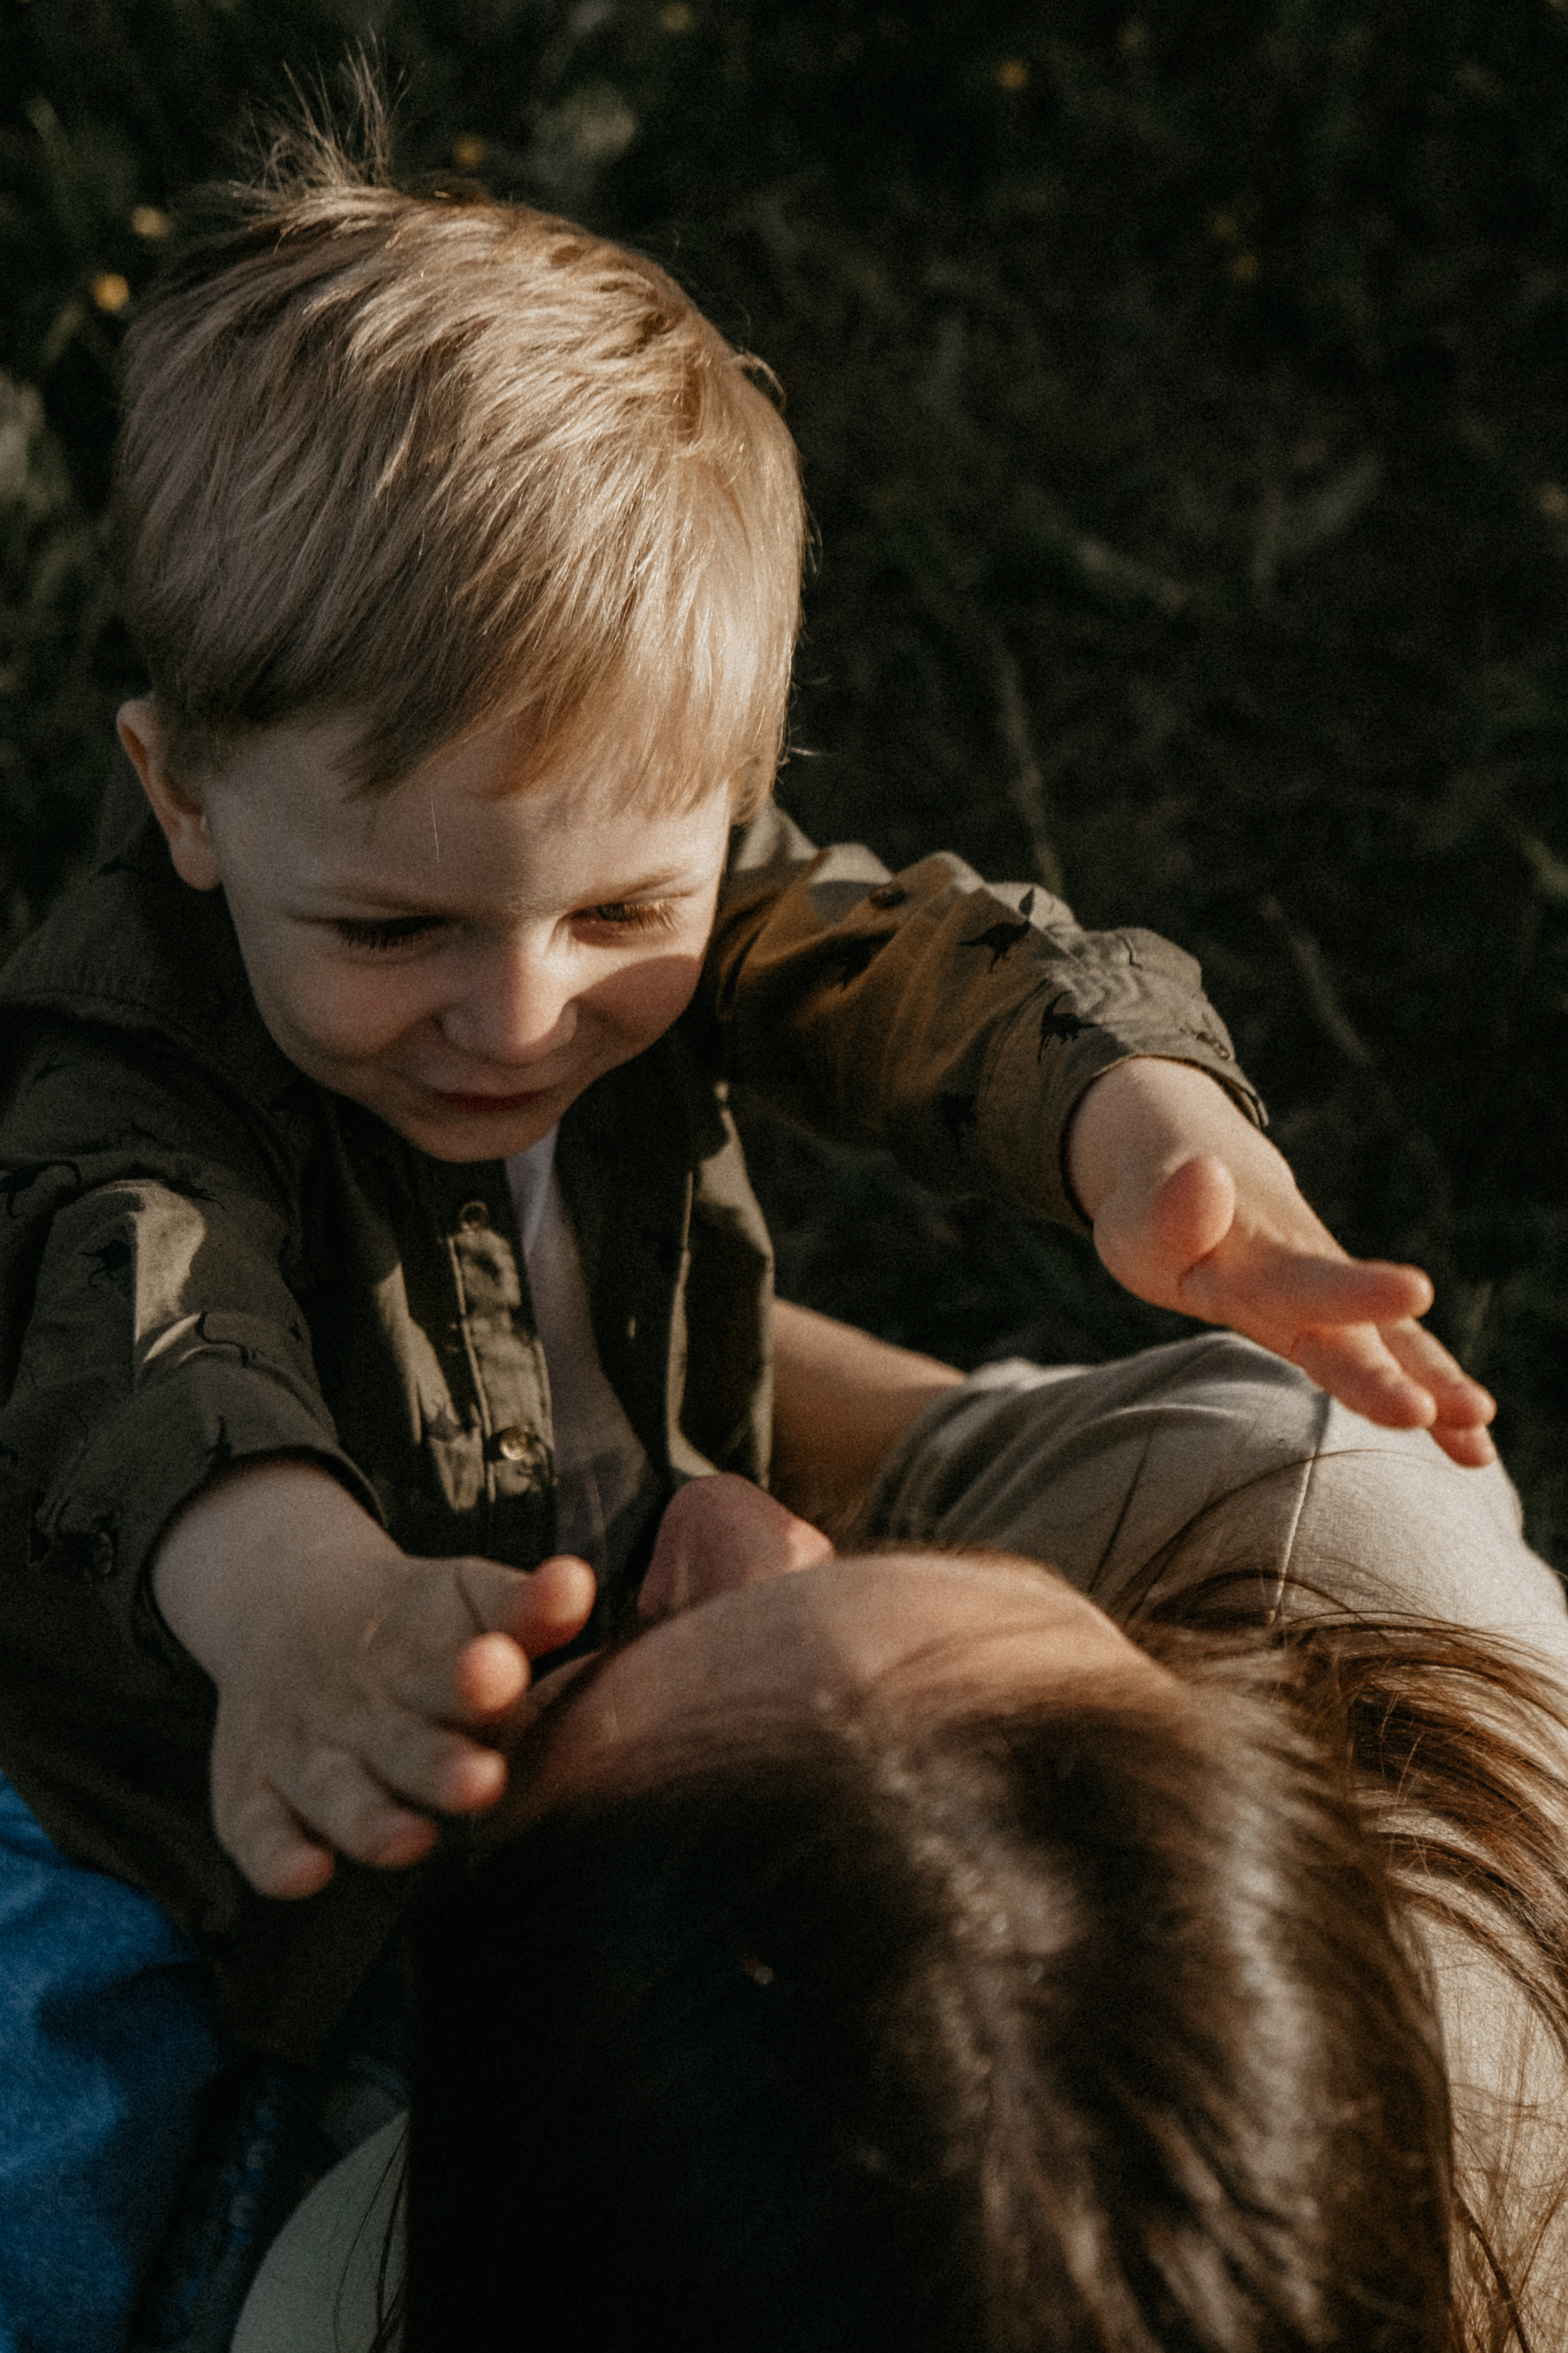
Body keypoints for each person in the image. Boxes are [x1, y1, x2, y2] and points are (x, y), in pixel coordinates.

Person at [0, 87, 1495, 2353]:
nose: (514, 1010)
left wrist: (1141, 1122)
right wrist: (297, 1606)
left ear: (720, 795)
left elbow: (926, 962)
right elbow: (151, 1335)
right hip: (192, 1760)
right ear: (183, 800)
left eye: (623, 903)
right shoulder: (131, 1071)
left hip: (580, 1581)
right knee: (77, 2150)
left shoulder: (601, 891)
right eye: (391, 926)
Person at [235, 1326, 1568, 2353]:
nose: (730, 1517)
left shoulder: (337, 2296)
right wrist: (599, 1316)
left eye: (583, 1678)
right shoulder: (1308, 1530)